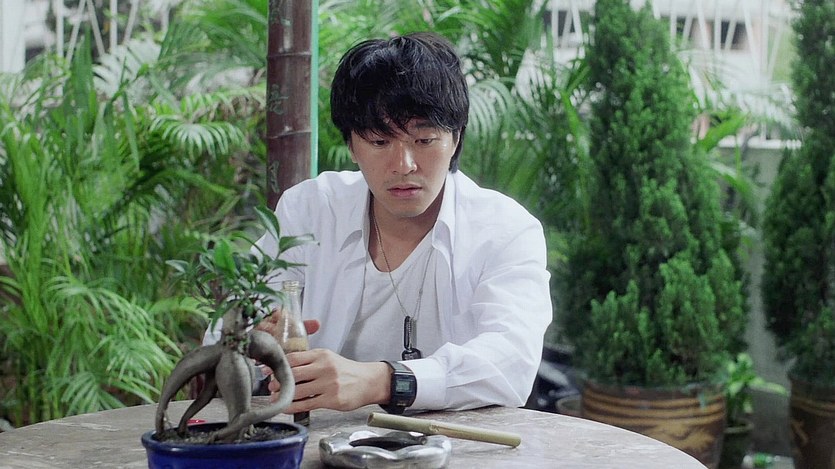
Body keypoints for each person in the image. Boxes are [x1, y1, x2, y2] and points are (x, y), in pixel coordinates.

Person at [204, 31, 552, 414]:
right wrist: (257, 341)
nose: (404, 165)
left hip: (460, 441)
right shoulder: (311, 210)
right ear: (351, 146)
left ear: (455, 139)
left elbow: (511, 361)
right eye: (380, 142)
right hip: (321, 438)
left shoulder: (506, 230)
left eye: (424, 140)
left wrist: (383, 381)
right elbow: (225, 331)